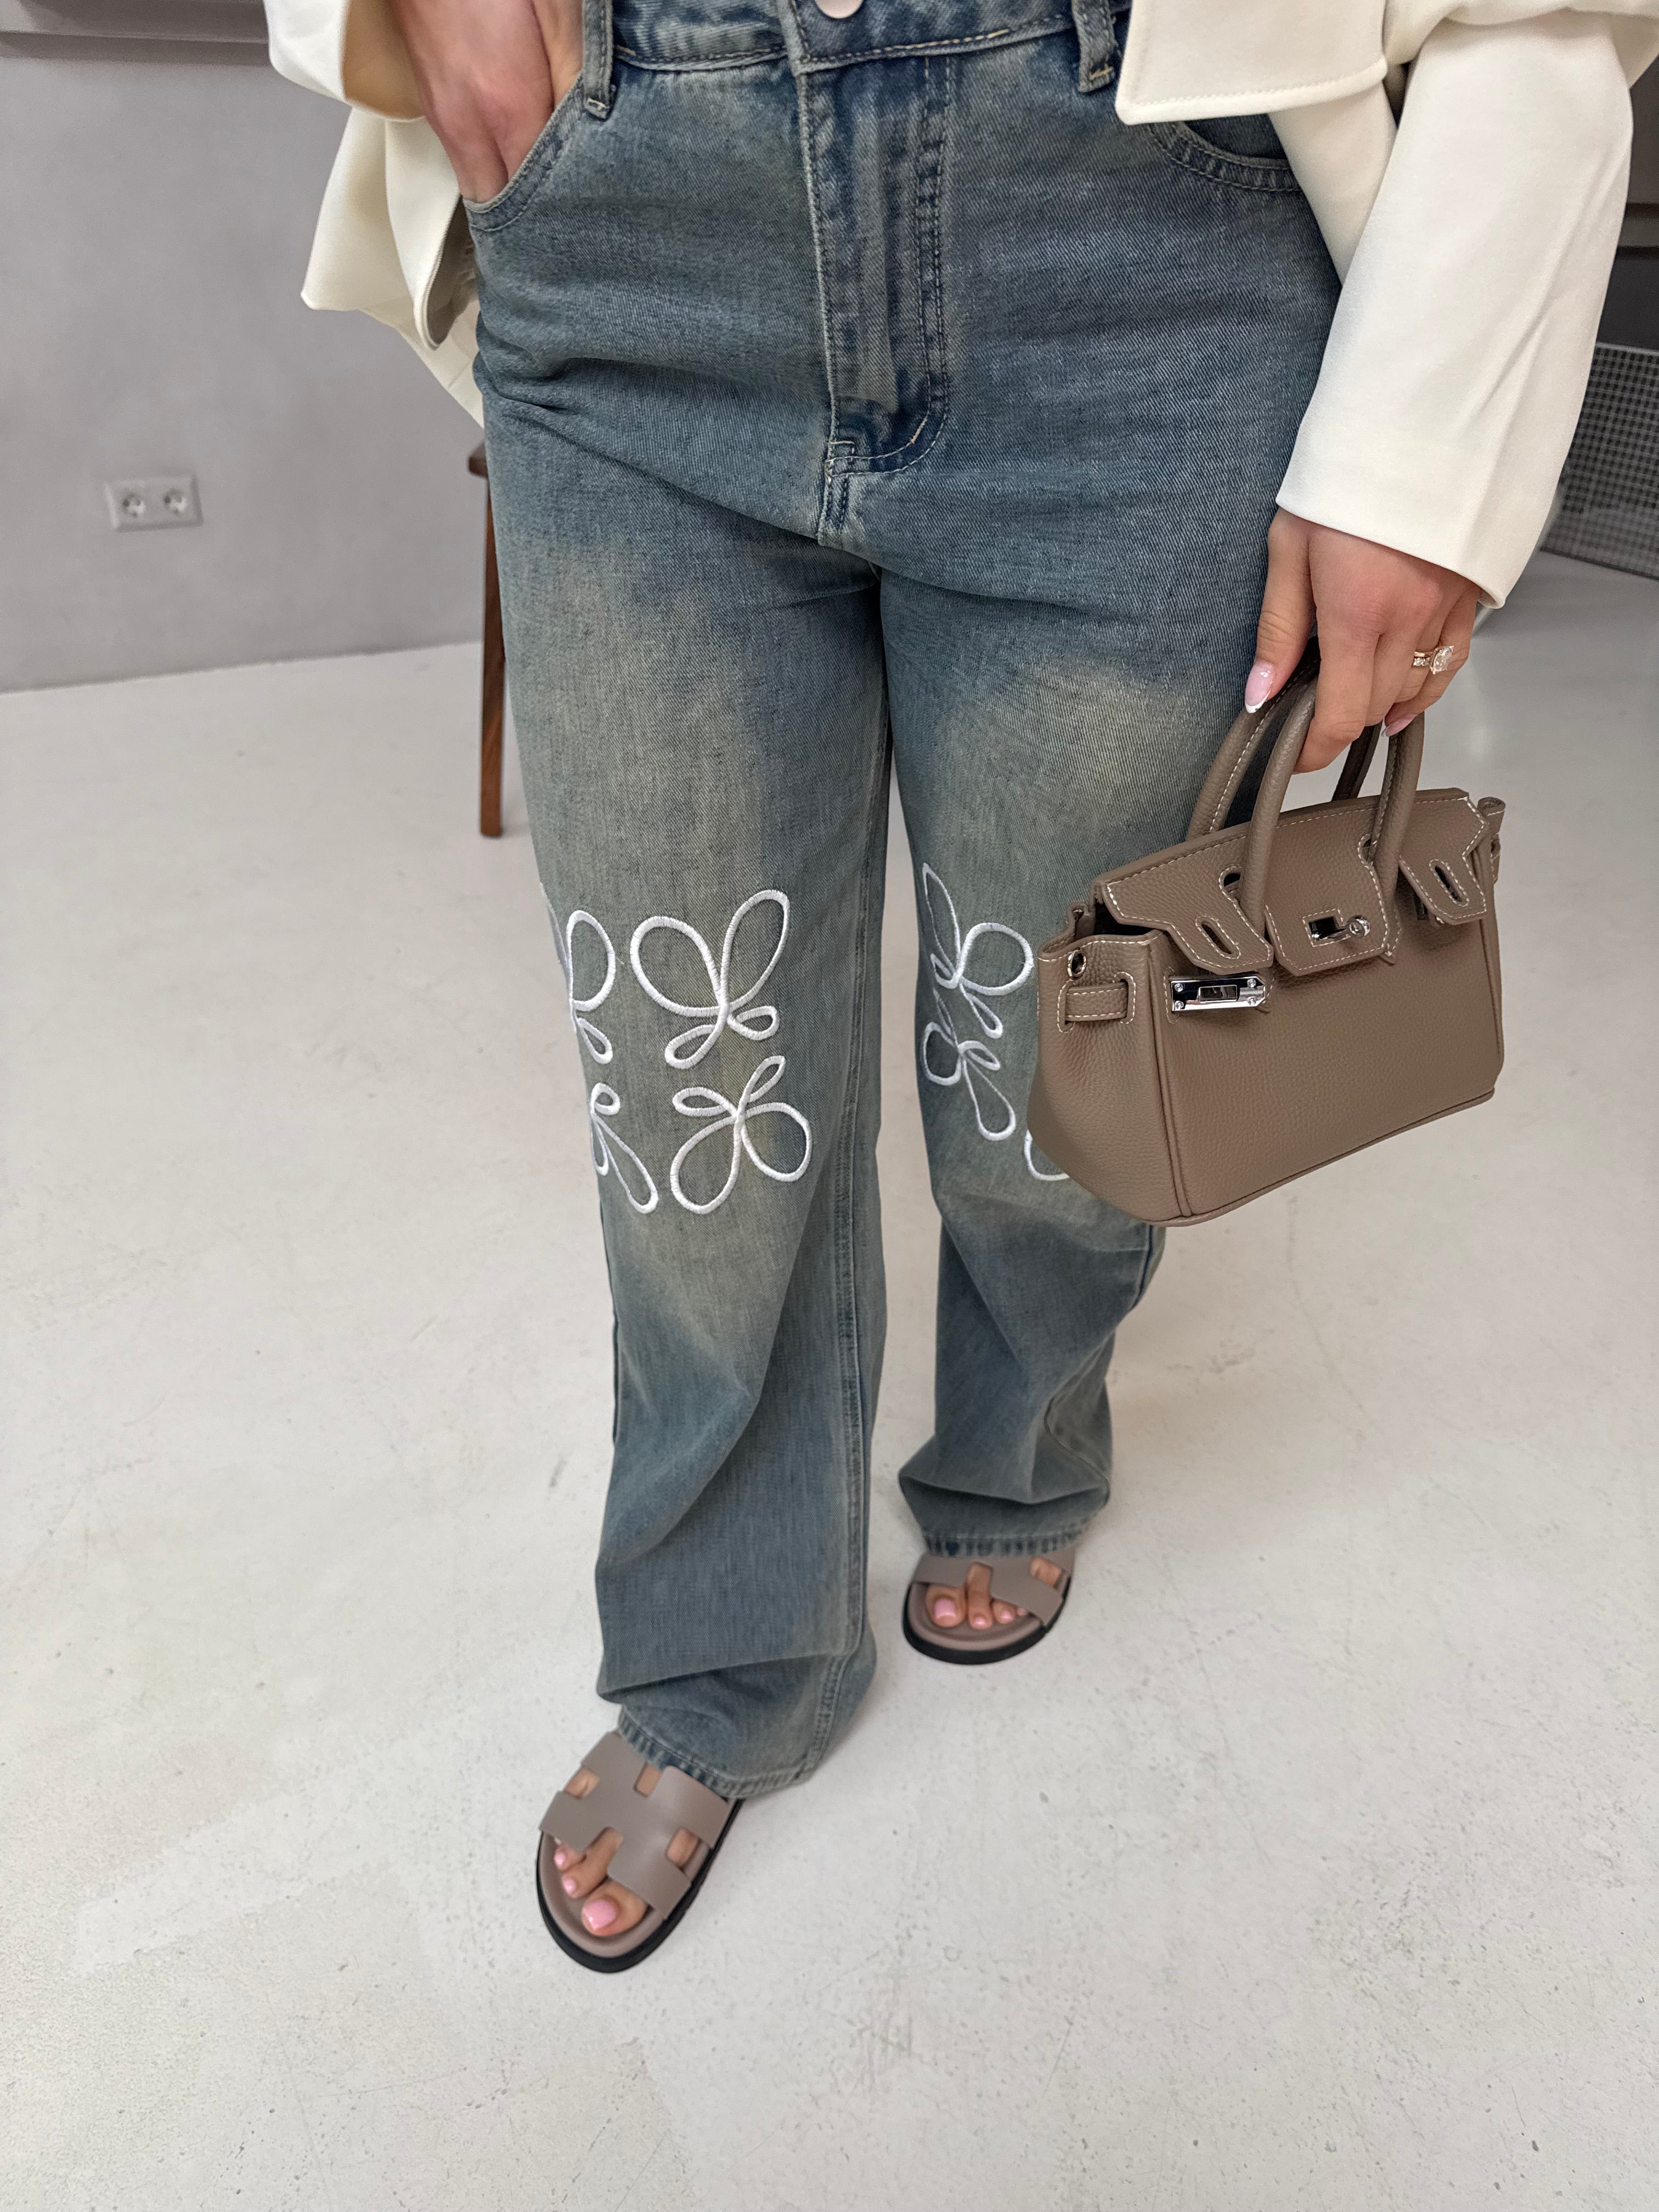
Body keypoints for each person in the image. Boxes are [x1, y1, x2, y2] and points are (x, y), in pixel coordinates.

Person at [267, 0, 1657, 1968]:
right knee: (692, 1100)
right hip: (640, 201)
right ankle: (725, 1632)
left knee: (1055, 1064)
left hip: (1141, 250)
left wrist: (1431, 434)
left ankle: (1021, 1454)